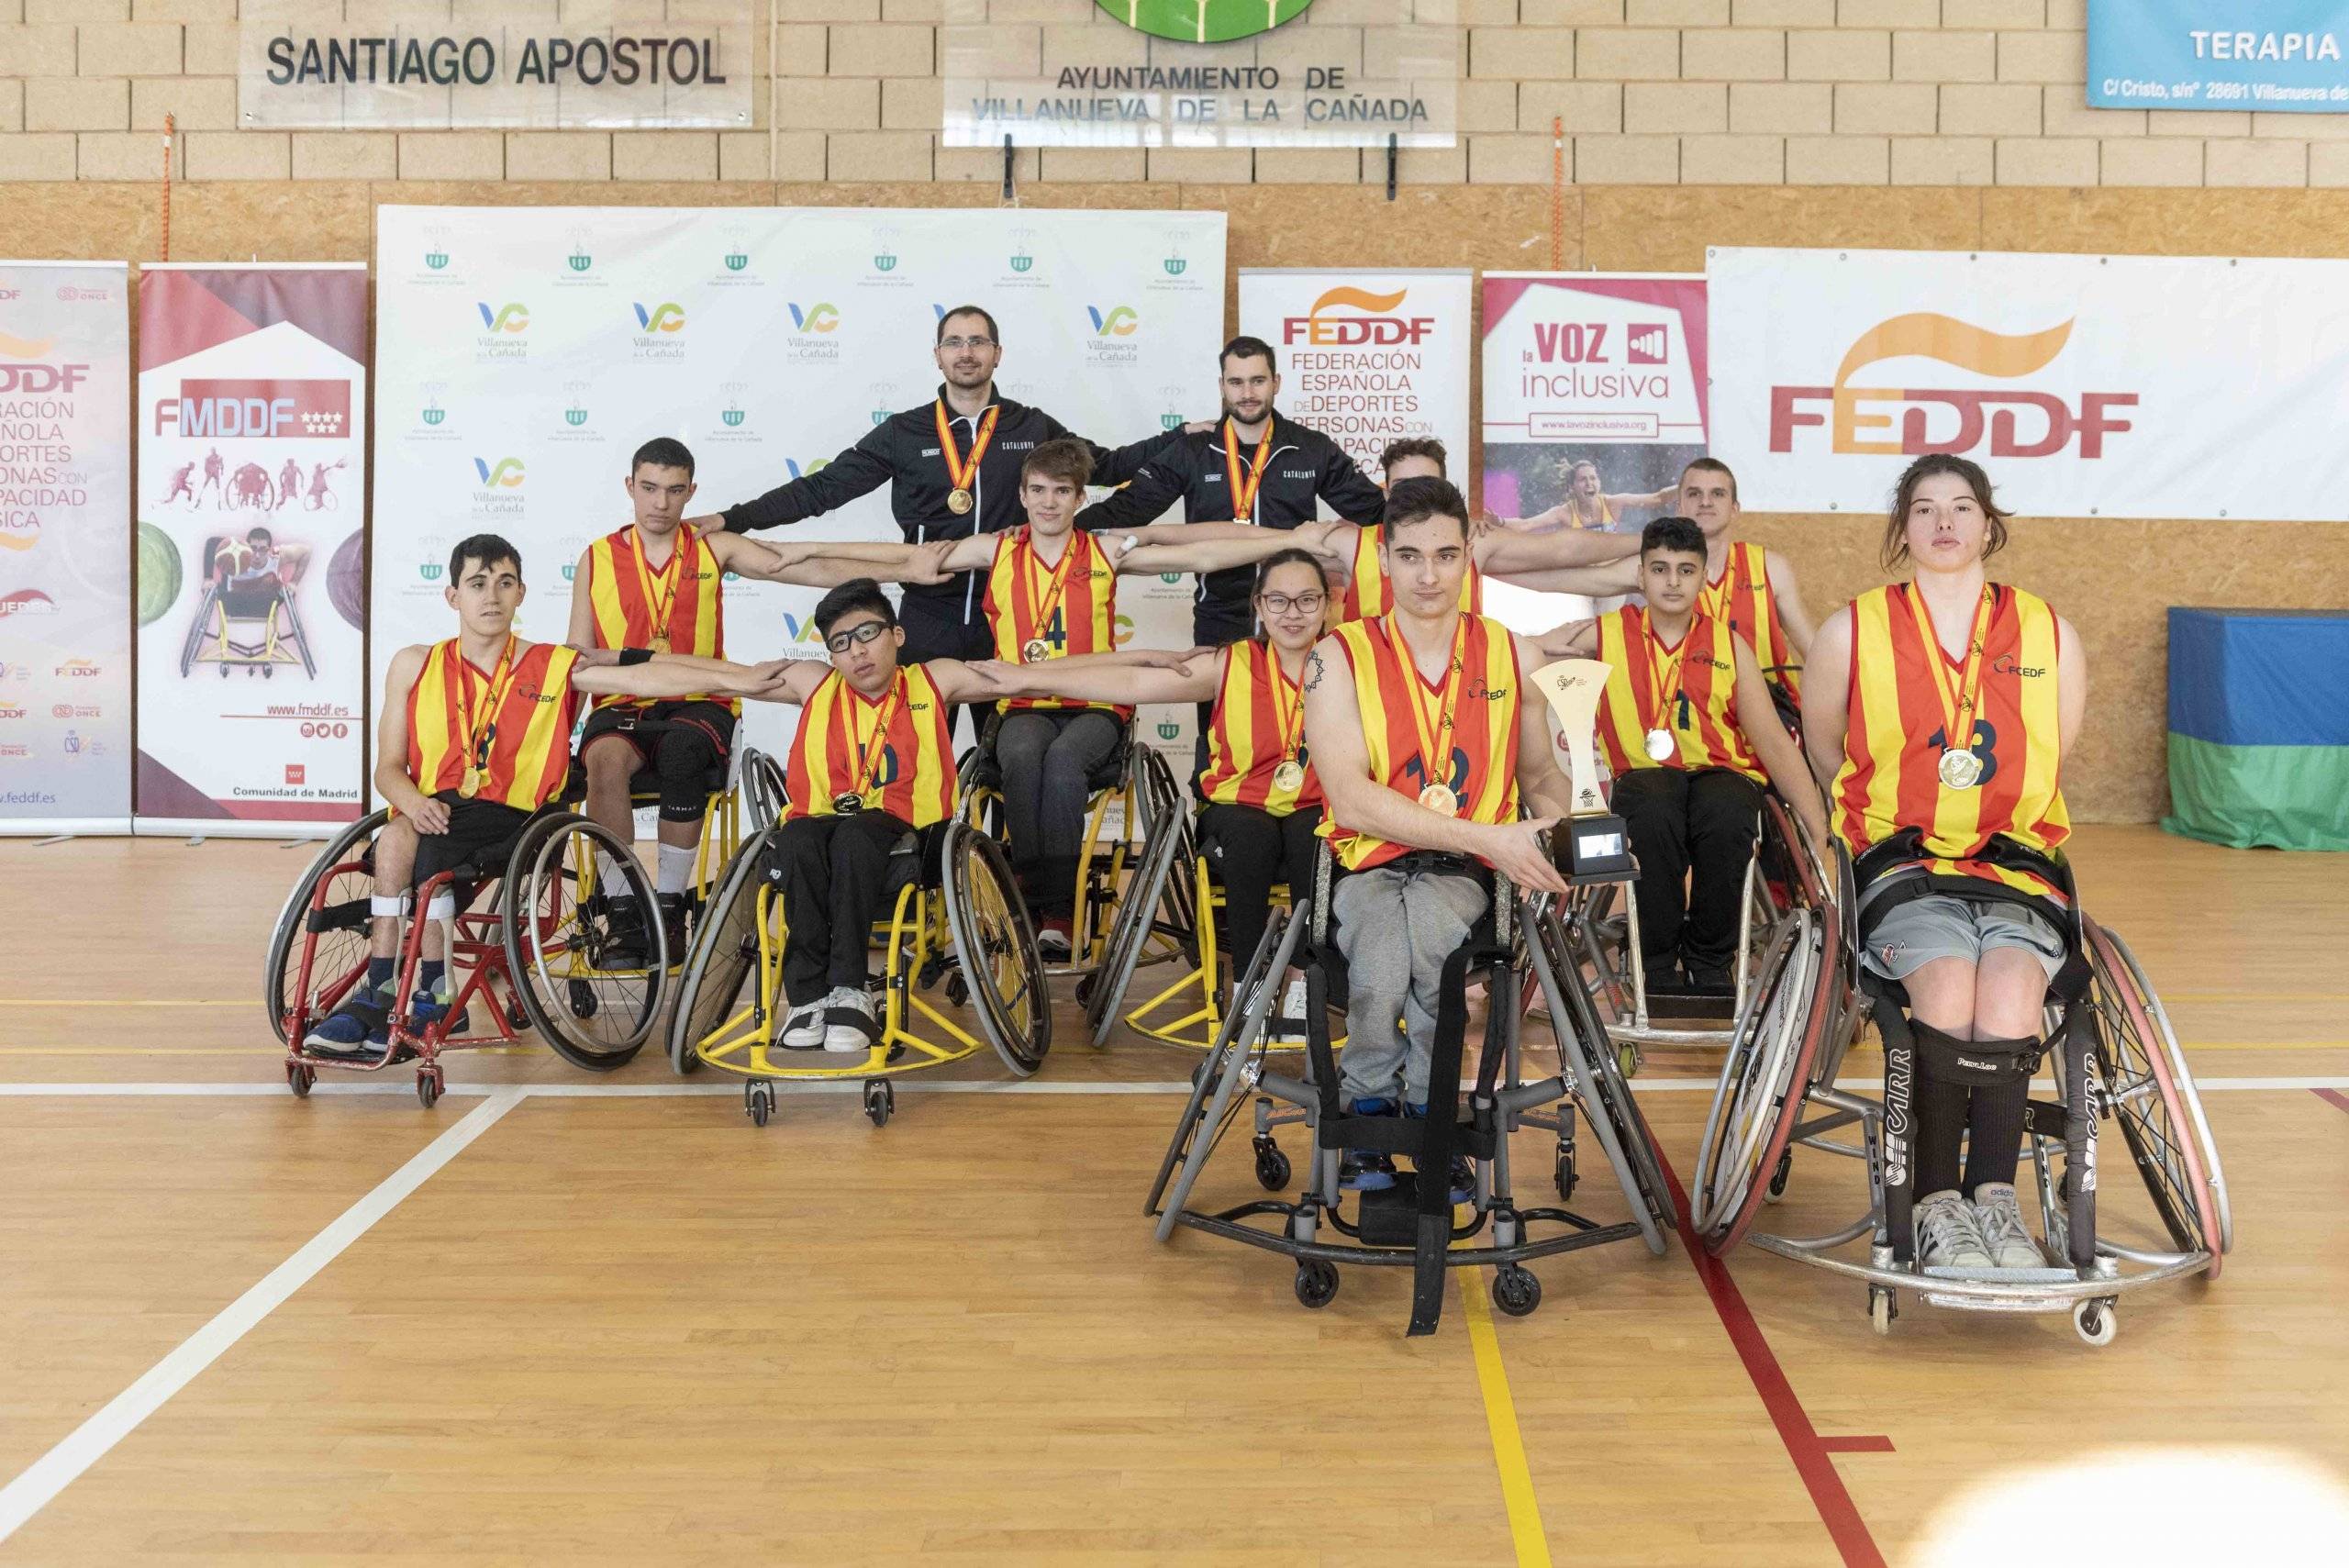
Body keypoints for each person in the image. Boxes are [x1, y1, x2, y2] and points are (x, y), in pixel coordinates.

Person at [303, 534, 786, 1060]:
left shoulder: (553, 665)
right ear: (452, 596)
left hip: (520, 817)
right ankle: (383, 990)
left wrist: (740, 680)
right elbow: (389, 769)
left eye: (504, 584)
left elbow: (650, 676)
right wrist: (413, 802)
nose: (491, 596)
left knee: (422, 848)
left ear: (521, 594)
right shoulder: (413, 664)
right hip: (437, 808)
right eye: (478, 584)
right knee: (397, 834)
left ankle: (429, 994)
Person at [1803, 453, 2087, 1273]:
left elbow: (2057, 747)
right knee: (1948, 982)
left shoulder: (2047, 630)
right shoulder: (1850, 628)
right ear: (1903, 529)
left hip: (2016, 867)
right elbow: (1826, 749)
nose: (1944, 524)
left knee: (2010, 990)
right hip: (1903, 865)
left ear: (1988, 521)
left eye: (1961, 507)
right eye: (1924, 509)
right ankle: (1935, 1202)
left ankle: (1994, 1201)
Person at [885, 438, 1328, 958]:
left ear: (1079, 500)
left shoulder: (1105, 549)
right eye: (1039, 491)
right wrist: (779, 559)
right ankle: (1027, 894)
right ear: (1023, 496)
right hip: (1026, 703)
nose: (1049, 502)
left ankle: (1061, 912)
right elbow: (902, 560)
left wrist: (1291, 539)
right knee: (1025, 756)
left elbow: (1204, 553)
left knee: (1067, 760)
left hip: (1096, 704)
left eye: (1062, 492)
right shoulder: (995, 549)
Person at [565, 436, 954, 962]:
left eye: (674, 491)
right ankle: (623, 909)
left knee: (683, 754)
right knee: (603, 762)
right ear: (630, 488)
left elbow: (793, 566)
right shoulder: (596, 557)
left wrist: (904, 569)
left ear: (691, 493)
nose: (660, 503)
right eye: (650, 489)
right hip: (625, 699)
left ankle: (672, 900)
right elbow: (579, 650)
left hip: (701, 697)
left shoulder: (713, 547)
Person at [1299, 477, 1576, 1192]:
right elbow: (1352, 798)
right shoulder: (1337, 655)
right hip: (1367, 862)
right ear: (1383, 560)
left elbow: (1541, 770)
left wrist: (1557, 822)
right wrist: (1488, 836)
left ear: (1467, 559)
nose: (1429, 575)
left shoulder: (1514, 653)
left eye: (1446, 555)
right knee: (1387, 948)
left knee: (1424, 928)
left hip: (1464, 872)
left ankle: (1419, 1111)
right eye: (1412, 555)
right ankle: (1376, 1106)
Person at [685, 306, 1172, 683]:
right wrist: (734, 519)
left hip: (1011, 608)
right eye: (954, 342)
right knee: (920, 747)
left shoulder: (1031, 424)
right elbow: (824, 488)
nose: (966, 352)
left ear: (997, 354)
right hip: (927, 608)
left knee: (1005, 753)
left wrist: (1182, 439)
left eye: (978, 342)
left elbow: (1106, 465)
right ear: (937, 355)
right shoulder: (906, 431)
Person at [653, 579, 1012, 1052]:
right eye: (841, 643)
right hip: (822, 823)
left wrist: (1139, 670)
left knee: (855, 836)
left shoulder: (934, 679)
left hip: (910, 831)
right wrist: (621, 664)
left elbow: (1026, 681)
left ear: (897, 635)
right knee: (796, 836)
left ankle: (850, 988)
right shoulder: (813, 681)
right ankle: (807, 999)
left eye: (867, 633)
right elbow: (725, 676)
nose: (857, 652)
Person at [970, 547, 1334, 991]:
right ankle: (1249, 982)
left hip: (1315, 805)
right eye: (1278, 600)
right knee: (1250, 838)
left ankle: (1300, 981)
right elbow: (1130, 682)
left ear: (1327, 604)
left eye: (1307, 600)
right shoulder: (1229, 663)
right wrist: (1028, 678)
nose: (1292, 613)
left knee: (1314, 836)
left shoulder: (1348, 663)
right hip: (1238, 806)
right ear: (1258, 604)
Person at [1542, 517, 1826, 993]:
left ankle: (1710, 960)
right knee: (1653, 803)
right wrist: (1547, 646)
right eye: (1660, 568)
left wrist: (1817, 826)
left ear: (1701, 576)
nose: (1672, 581)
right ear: (1640, 575)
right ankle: (1652, 961)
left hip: (1719, 775)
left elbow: (1774, 741)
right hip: (1647, 779)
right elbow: (1523, 653)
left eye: (1685, 570)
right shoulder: (1603, 633)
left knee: (1728, 808)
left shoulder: (1729, 644)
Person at [1073, 335, 1387, 648]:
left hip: (1295, 618)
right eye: (1236, 382)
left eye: (1258, 381)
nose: (1247, 393)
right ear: (1222, 386)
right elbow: (1127, 509)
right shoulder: (1193, 450)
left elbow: (1375, 511)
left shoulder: (1311, 448)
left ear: (1276, 383)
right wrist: (1056, 533)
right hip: (1218, 622)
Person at [1300, 444, 1642, 625]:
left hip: (1456, 700)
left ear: (1445, 488)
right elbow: (1269, 552)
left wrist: (1653, 539)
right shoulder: (1352, 544)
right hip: (1372, 699)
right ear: (1386, 492)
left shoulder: (1475, 542)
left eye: (1427, 484)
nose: (1416, 494)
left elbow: (1563, 548)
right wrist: (1290, 538)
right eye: (1404, 486)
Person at [1672, 457, 1814, 709]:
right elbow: (1590, 577)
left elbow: (1816, 653)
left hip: (1774, 717)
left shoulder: (1770, 567)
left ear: (1735, 508)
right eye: (1695, 494)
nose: (1705, 502)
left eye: (1717, 493)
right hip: (1698, 718)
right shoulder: (1663, 574)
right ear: (1679, 506)